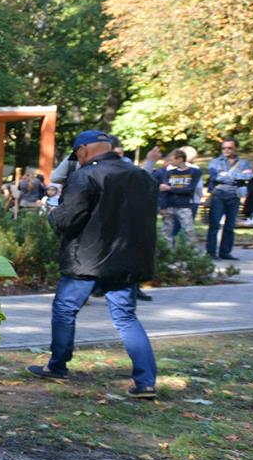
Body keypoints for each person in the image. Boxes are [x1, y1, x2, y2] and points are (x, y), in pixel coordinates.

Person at [28, 130, 159, 398]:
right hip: (126, 261)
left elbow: (67, 220)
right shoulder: (142, 176)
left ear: (83, 150)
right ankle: (146, 382)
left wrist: (53, 214)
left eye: (77, 154)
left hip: (86, 260)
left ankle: (57, 366)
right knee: (126, 318)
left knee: (65, 311)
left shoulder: (85, 175)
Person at [204, 137, 253, 259]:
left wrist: (227, 175)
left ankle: (225, 253)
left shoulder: (244, 163)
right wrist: (238, 176)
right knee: (214, 225)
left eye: (229, 148)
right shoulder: (215, 162)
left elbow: (249, 176)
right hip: (218, 195)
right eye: (224, 148)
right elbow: (216, 177)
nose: (226, 150)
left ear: (236, 148)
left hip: (235, 196)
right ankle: (211, 253)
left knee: (230, 226)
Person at [153, 149, 202, 243]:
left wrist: (170, 188)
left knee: (188, 231)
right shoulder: (169, 172)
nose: (170, 162)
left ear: (180, 159)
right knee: (166, 231)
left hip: (184, 205)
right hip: (170, 205)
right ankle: (167, 250)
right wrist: (162, 206)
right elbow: (163, 191)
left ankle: (190, 250)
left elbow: (189, 189)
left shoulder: (194, 172)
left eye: (172, 160)